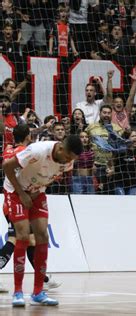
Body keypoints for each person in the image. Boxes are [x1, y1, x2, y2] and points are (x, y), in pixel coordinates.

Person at [3, 134, 83, 306]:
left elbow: (51, 176)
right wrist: (22, 194)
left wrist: (37, 190)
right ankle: (18, 292)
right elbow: (7, 166)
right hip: (15, 191)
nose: (68, 161)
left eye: (72, 159)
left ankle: (38, 292)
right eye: (68, 156)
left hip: (37, 192)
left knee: (43, 237)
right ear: (60, 148)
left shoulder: (68, 162)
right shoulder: (37, 151)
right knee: (23, 236)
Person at [0, 125, 61, 293]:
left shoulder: (9, 149)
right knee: (15, 239)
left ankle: (44, 279)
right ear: (28, 136)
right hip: (17, 200)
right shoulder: (28, 152)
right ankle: (42, 280)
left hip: (11, 200)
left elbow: (7, 164)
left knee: (30, 241)